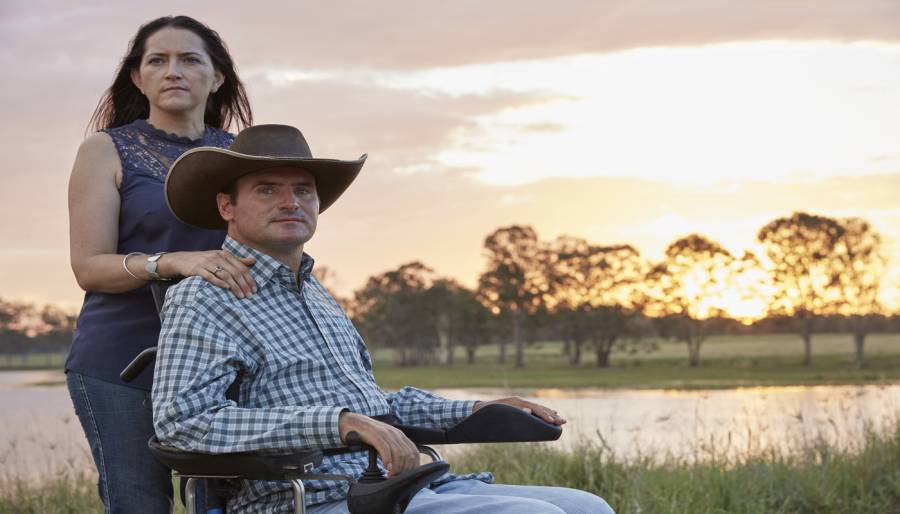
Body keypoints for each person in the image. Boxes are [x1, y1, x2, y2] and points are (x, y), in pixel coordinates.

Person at [152, 124, 615, 514]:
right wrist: (339, 422)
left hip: (397, 486)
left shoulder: (315, 294)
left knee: (589, 507)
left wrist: (480, 409)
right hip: (309, 498)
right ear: (226, 206)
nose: (290, 202)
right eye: (267, 189)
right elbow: (184, 422)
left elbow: (376, 407)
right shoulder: (204, 296)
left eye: (303, 190)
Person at [66, 15, 256, 513]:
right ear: (138, 77)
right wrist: (172, 262)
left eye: (190, 59)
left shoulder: (243, 155)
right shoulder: (105, 150)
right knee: (139, 504)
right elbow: (89, 267)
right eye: (158, 60)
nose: (173, 71)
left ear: (217, 77)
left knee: (232, 502)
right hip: (123, 362)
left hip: (224, 362)